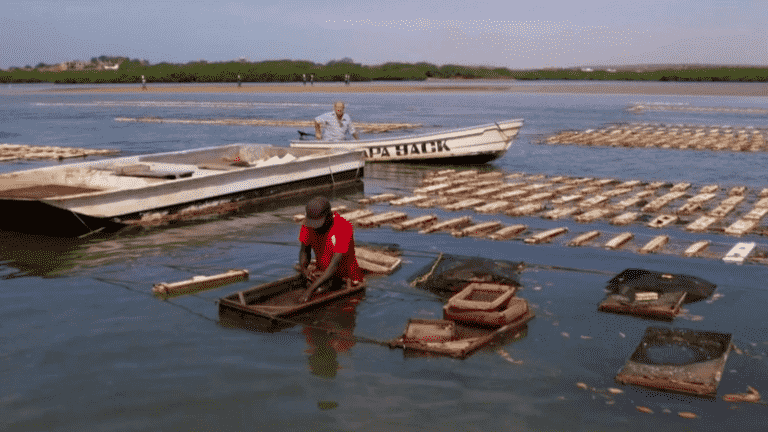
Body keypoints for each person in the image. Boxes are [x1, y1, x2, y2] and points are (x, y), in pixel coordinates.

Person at [297, 196, 363, 303]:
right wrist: (304, 270)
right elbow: (304, 250)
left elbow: (334, 265)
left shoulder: (343, 227)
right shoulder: (307, 225)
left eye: (318, 225)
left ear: (329, 217)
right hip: (322, 273)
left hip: (346, 277)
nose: (315, 228)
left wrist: (309, 291)